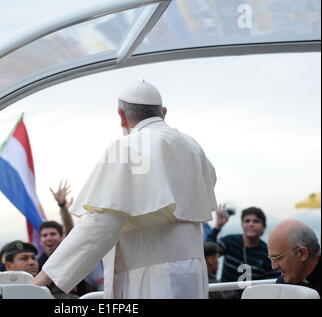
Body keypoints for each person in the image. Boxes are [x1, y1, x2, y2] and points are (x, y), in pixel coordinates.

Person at [32, 79, 218, 299]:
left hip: (151, 279)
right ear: (164, 112)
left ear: (121, 115)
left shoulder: (126, 146)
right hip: (193, 273)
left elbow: (102, 221)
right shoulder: (192, 145)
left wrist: (43, 278)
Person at [206, 204, 280, 287]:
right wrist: (218, 227)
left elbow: (272, 284)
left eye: (256, 221)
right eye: (247, 221)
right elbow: (207, 252)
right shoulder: (229, 241)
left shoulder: (267, 253)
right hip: (224, 294)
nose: (251, 224)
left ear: (263, 227)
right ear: (242, 224)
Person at [268, 219, 320, 295]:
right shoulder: (283, 283)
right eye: (271, 259)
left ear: (302, 253)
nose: (273, 267)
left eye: (277, 258)